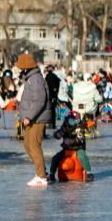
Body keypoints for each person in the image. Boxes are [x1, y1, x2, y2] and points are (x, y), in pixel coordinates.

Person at [16, 53, 51, 186]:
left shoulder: (35, 79)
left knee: (34, 146)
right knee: (27, 145)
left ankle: (41, 177)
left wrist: (29, 116)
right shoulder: (30, 78)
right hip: (32, 118)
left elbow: (39, 101)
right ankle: (42, 171)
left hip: (37, 118)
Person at [47, 110, 94, 182]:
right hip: (67, 149)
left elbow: (80, 139)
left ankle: (89, 173)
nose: (74, 122)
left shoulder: (80, 127)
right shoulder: (65, 126)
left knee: (83, 156)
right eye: (72, 120)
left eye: (76, 120)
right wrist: (59, 133)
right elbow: (58, 136)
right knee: (55, 158)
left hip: (77, 149)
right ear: (68, 119)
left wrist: (71, 141)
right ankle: (52, 174)